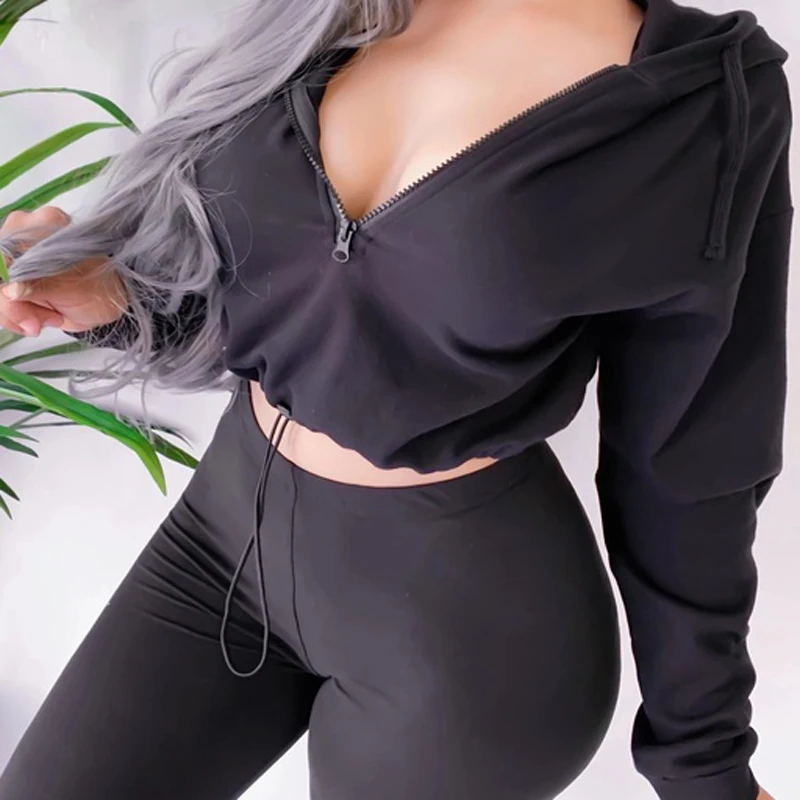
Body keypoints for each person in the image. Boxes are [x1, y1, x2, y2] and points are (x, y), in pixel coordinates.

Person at [0, 0, 791, 797]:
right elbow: (295, 283)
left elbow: (689, 463)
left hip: (465, 641)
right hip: (224, 533)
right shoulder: (337, 11)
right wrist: (119, 296)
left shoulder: (701, 101)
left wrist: (705, 764)